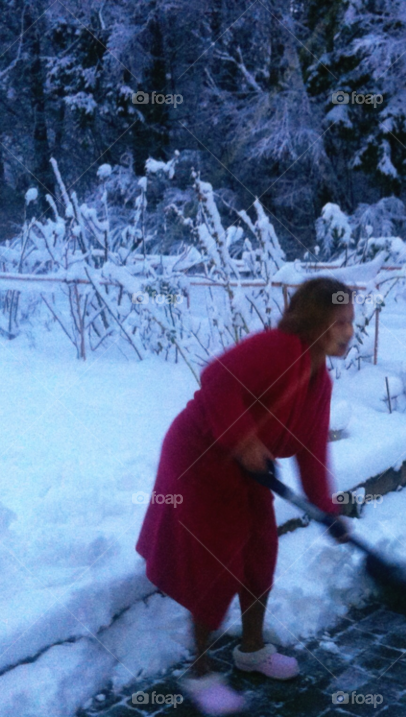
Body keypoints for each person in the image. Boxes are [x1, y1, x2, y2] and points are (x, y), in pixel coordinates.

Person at [135, 277, 355, 715]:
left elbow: (311, 451)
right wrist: (244, 439)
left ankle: (251, 650)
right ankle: (200, 671)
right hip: (201, 455)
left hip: (249, 469)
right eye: (341, 322)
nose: (349, 331)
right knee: (218, 561)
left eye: (351, 322)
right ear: (315, 321)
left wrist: (327, 511)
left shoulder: (320, 381)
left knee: (261, 551)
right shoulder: (279, 348)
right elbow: (217, 377)